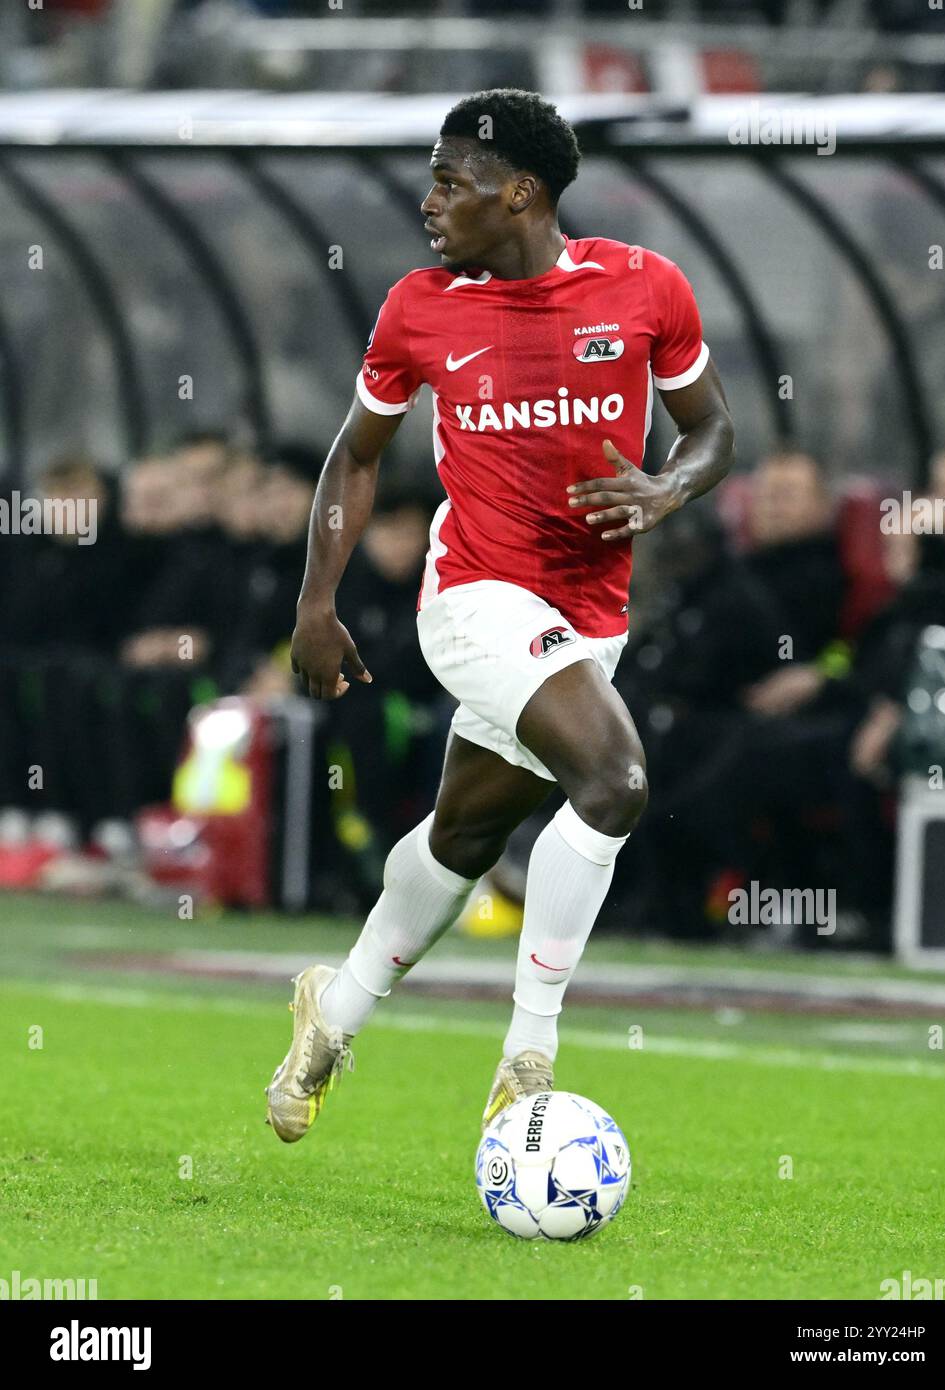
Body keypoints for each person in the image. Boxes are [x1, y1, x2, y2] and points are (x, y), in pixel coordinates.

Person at [265, 88, 734, 1143]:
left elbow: (712, 433)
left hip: (588, 616)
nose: (430, 201)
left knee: (463, 835)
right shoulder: (421, 308)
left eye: (450, 182)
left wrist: (669, 488)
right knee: (615, 781)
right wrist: (317, 601)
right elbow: (358, 453)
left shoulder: (645, 288)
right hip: (475, 598)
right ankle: (530, 1056)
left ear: (520, 192)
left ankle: (330, 1013)